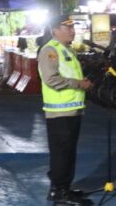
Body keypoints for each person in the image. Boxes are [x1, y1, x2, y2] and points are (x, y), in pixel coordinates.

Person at [38, 15, 93, 206]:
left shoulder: (66, 50)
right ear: (54, 30)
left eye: (72, 27)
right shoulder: (50, 51)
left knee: (69, 151)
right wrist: (78, 83)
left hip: (73, 108)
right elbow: (51, 79)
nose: (72, 31)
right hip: (59, 111)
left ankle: (65, 188)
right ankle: (58, 191)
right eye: (66, 27)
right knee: (61, 151)